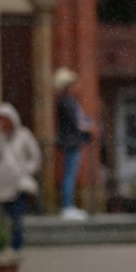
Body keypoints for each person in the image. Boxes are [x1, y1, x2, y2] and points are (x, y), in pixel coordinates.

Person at [0, 102, 41, 251]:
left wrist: (27, 169)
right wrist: (0, 138)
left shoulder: (23, 135)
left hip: (17, 187)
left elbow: (35, 157)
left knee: (16, 220)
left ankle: (16, 248)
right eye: (0, 119)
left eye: (5, 119)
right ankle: (1, 249)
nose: (2, 122)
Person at [53, 68, 93, 219]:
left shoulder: (67, 101)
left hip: (71, 142)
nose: (77, 87)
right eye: (74, 84)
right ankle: (67, 206)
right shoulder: (67, 102)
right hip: (71, 143)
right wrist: (89, 127)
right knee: (70, 175)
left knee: (70, 174)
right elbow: (78, 122)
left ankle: (68, 206)